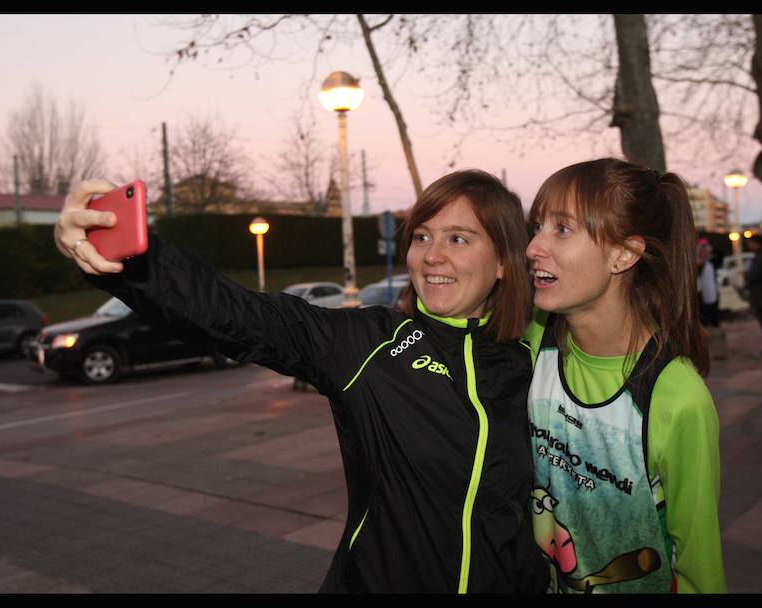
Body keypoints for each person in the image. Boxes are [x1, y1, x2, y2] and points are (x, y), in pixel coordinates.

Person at [54, 171, 549, 593]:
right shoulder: (371, 345)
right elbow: (239, 315)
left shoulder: (534, 360)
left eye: (458, 239)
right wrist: (130, 261)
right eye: (421, 237)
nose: (432, 255)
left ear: (503, 261)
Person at [523, 158, 726, 593]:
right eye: (537, 227)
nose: (533, 247)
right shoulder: (535, 339)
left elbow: (700, 567)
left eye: (562, 229)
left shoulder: (677, 398)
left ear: (624, 254)